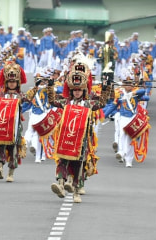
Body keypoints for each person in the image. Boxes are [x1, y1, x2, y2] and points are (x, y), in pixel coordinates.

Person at [46, 56, 111, 203]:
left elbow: (102, 102)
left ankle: (75, 191)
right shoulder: (65, 102)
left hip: (81, 139)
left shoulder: (88, 103)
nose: (76, 92)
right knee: (62, 161)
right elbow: (52, 101)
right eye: (74, 90)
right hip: (65, 136)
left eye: (79, 90)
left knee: (78, 164)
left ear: (84, 90)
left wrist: (106, 87)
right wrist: (50, 87)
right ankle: (61, 184)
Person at [0, 61, 29, 182]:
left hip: (15, 127)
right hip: (2, 125)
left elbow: (29, 100)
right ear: (6, 83)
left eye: (14, 82)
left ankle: (11, 173)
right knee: (1, 146)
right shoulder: (0, 95)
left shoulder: (21, 96)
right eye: (9, 82)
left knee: (13, 150)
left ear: (17, 83)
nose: (12, 84)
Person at [103, 68, 150, 168]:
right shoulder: (120, 95)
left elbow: (145, 95)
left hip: (133, 118)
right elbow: (112, 106)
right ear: (123, 84)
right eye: (127, 83)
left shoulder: (136, 93)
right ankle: (122, 152)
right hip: (123, 117)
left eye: (130, 83)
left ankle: (129, 160)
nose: (129, 85)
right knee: (122, 134)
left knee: (131, 139)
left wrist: (133, 94)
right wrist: (104, 115)